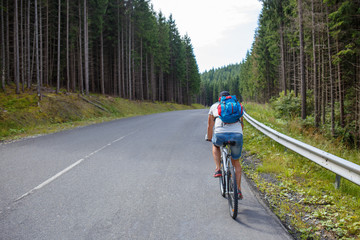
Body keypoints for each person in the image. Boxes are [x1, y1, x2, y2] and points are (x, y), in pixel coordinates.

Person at [206, 91, 244, 199]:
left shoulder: (214, 106)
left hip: (220, 134)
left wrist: (209, 137)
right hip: (237, 135)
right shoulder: (236, 105)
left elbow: (210, 125)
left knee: (215, 145)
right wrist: (239, 136)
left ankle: (218, 168)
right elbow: (241, 123)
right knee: (236, 162)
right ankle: (238, 190)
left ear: (220, 98)